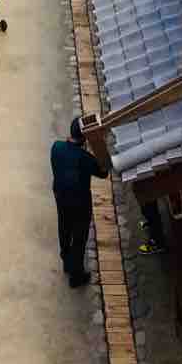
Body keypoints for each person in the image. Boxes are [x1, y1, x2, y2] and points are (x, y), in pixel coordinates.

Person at [51, 117, 110, 286]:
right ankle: (76, 275)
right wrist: (98, 145)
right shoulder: (85, 158)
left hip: (61, 196)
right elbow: (104, 171)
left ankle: (67, 261)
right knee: (79, 237)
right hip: (80, 202)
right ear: (85, 138)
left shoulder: (56, 147)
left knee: (64, 228)